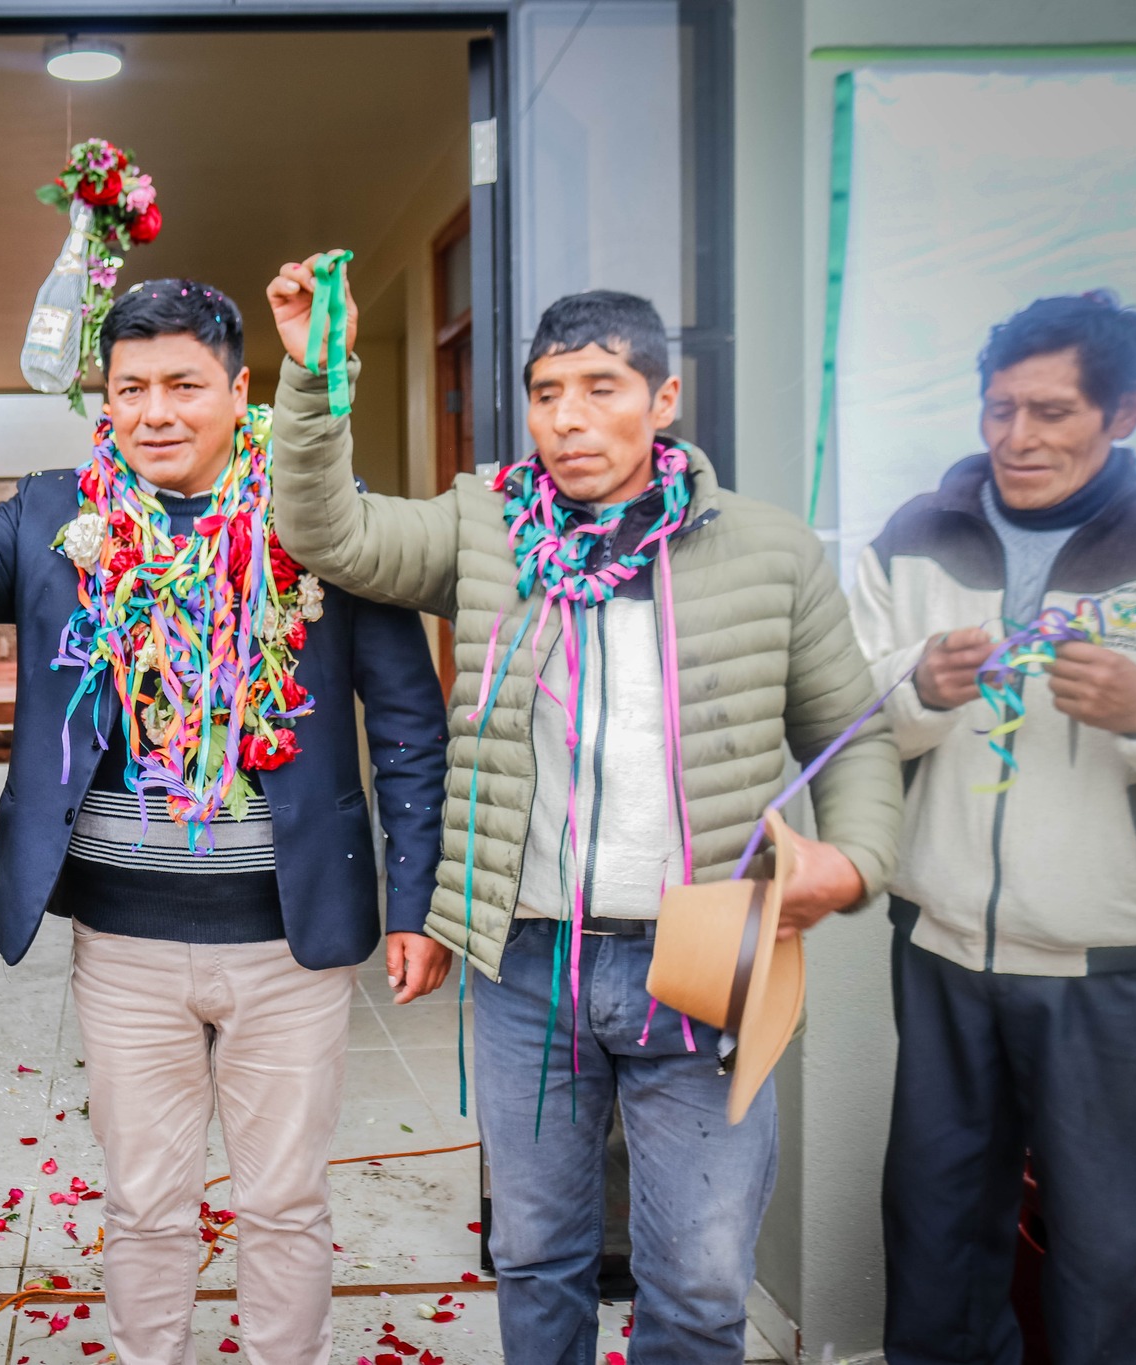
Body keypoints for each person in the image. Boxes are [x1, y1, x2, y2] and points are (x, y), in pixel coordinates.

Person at [266, 270, 903, 1363]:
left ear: (663, 401)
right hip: (527, 964)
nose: (565, 418)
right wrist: (315, 376)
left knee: (700, 1283)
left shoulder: (768, 552)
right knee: (534, 1255)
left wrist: (850, 865)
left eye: (600, 387)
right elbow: (325, 531)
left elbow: (853, 733)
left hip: (702, 962)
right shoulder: (484, 528)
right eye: (546, 392)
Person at [0, 280, 451, 1365]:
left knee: (285, 1206)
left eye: (184, 384)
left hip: (289, 940)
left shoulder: (319, 511)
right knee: (143, 1206)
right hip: (120, 943)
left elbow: (406, 722)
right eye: (131, 388)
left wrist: (414, 903)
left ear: (239, 388)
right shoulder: (49, 513)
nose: (156, 410)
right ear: (105, 397)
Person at [852, 292, 1136, 1363]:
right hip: (939, 951)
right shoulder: (910, 537)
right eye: (997, 409)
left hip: (1114, 970)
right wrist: (914, 683)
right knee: (938, 1245)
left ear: (1124, 411)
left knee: (1118, 1261)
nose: (1016, 438)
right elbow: (840, 717)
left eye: (1049, 411)